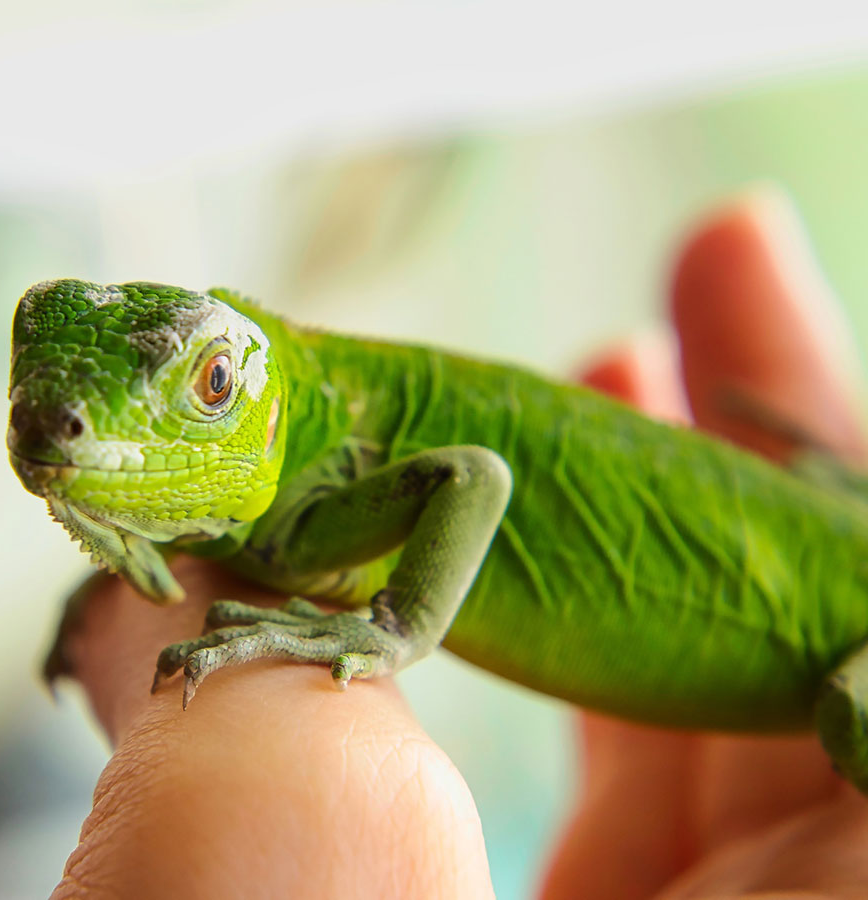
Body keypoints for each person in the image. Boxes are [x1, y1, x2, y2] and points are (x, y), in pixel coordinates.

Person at [49, 193, 868, 899]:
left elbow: (469, 478)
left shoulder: (321, 510)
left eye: (212, 387)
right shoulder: (277, 483)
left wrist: (393, 630)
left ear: (258, 409)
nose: (56, 423)